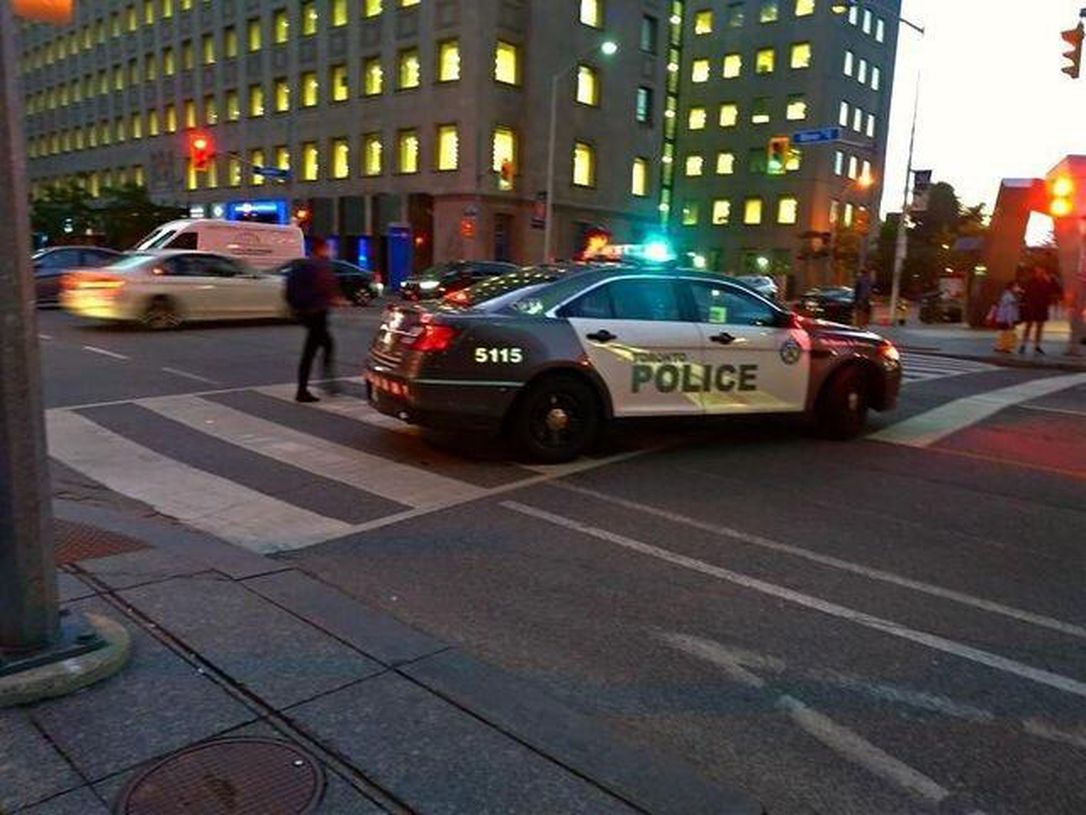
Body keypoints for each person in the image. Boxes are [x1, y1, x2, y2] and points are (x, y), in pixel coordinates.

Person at [285, 237, 341, 402]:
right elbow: (326, 285)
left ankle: (324, 381)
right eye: (328, 248)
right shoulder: (319, 265)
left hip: (308, 313)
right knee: (313, 350)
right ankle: (308, 388)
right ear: (321, 249)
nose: (330, 251)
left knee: (324, 345)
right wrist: (334, 298)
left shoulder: (306, 265)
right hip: (317, 313)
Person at [1018, 266, 1060, 355]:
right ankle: (1023, 345)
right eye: (1038, 271)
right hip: (1031, 305)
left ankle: (1037, 345)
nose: (1040, 273)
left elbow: (1057, 290)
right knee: (1028, 325)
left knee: (1040, 326)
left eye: (1042, 271)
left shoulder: (1047, 281)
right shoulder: (1031, 281)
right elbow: (1026, 292)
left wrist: (1050, 281)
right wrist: (1023, 303)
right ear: (1036, 271)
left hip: (1042, 306)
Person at [993, 281, 1020, 354]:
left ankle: (1001, 346)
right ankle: (1005, 347)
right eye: (1016, 286)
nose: (1017, 288)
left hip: (1004, 318)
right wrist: (1010, 321)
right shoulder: (1009, 296)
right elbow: (1009, 310)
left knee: (1004, 332)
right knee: (1007, 332)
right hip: (1007, 318)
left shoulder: (1006, 294)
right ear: (1011, 287)